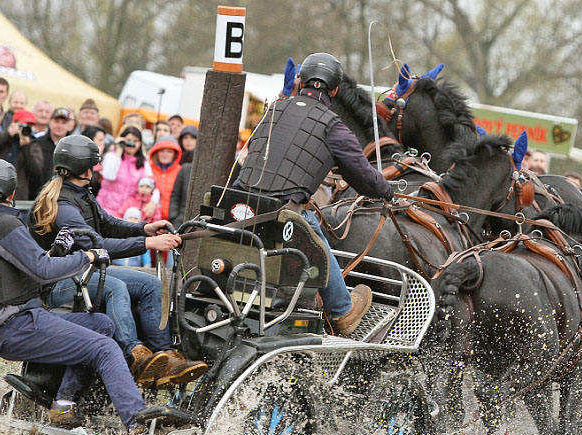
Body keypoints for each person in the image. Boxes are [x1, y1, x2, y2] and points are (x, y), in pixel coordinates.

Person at [0, 158, 163, 433]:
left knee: (103, 325)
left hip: (7, 323)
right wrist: (87, 255)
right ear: (12, 192)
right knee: (105, 348)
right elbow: (43, 271)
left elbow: (26, 266)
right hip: (17, 325)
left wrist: (57, 252)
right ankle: (136, 420)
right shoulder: (4, 224)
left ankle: (64, 404)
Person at [28, 134, 206, 389]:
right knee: (116, 287)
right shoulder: (62, 203)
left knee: (151, 284)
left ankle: (164, 359)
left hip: (85, 274)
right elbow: (95, 244)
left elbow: (109, 224)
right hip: (57, 282)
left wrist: (145, 229)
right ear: (84, 167)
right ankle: (136, 357)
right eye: (93, 165)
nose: (96, 169)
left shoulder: (81, 194)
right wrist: (148, 244)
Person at [234, 52, 393, 335]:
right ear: (334, 90)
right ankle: (342, 310)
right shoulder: (335, 128)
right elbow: (364, 178)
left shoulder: (272, 111)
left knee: (301, 215)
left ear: (301, 81)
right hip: (284, 216)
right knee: (307, 220)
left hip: (239, 205)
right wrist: (387, 190)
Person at [0, 108, 44, 202]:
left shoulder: (33, 145)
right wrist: (8, 134)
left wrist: (26, 147)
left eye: (29, 126)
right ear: (14, 123)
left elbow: (36, 171)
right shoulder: (1, 135)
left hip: (18, 197)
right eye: (23, 125)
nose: (25, 128)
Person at [97, 125, 155, 217]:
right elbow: (109, 176)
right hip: (106, 208)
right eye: (128, 140)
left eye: (135, 141)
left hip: (128, 213)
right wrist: (119, 150)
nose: (131, 144)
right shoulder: (111, 156)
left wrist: (153, 202)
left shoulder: (144, 163)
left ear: (140, 143)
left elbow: (152, 185)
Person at [148, 135, 182, 224]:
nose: (165, 154)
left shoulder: (180, 171)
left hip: (170, 221)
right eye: (162, 151)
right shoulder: (148, 168)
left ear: (175, 154)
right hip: (148, 218)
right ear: (156, 152)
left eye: (169, 151)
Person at [38, 107, 72, 180]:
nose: (59, 126)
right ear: (50, 122)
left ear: (69, 125)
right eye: (56, 121)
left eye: (63, 123)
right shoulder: (37, 144)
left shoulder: (73, 148)